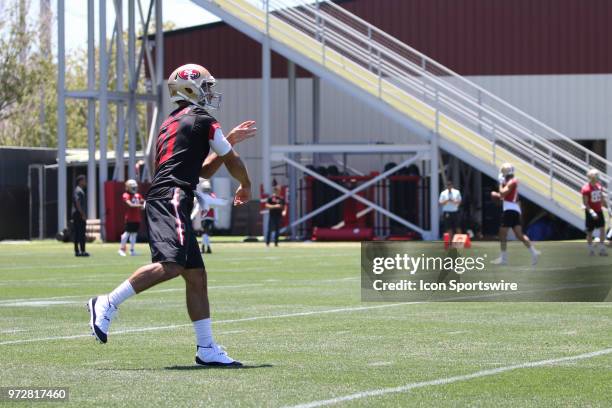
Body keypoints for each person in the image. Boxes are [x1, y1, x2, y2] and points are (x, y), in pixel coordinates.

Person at [87, 63, 256, 367]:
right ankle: (107, 302)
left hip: (170, 193)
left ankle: (206, 348)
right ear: (190, 88)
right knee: (171, 265)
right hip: (172, 196)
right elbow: (232, 160)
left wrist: (226, 139)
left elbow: (201, 170)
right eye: (205, 86)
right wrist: (245, 184)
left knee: (197, 277)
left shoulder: (172, 122)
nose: (209, 92)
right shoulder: (203, 119)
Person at [490, 163, 540, 266]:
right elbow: (505, 196)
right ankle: (533, 252)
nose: (502, 173)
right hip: (513, 209)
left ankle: (504, 259)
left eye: (504, 171)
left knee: (502, 234)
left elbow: (503, 193)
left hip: (509, 210)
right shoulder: (510, 182)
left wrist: (499, 185)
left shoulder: (512, 181)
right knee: (519, 235)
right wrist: (496, 195)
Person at [581, 169, 608, 256]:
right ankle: (590, 249)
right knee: (590, 232)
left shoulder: (599, 186)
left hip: (599, 211)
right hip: (590, 212)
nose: (598, 177)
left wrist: (607, 207)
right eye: (596, 175)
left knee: (602, 229)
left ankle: (602, 248)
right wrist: (592, 212)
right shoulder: (586, 189)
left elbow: (602, 199)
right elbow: (585, 203)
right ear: (591, 177)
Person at [118, 179, 145, 257]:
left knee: (134, 235)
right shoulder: (126, 195)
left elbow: (142, 201)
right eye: (132, 187)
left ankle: (132, 250)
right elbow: (130, 205)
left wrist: (146, 203)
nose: (134, 188)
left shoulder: (137, 195)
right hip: (130, 218)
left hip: (137, 218)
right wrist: (140, 205)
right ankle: (121, 249)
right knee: (126, 234)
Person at [72, 175, 89, 257]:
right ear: (80, 181)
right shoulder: (78, 190)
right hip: (78, 214)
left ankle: (79, 251)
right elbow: (78, 203)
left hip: (77, 214)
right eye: (84, 180)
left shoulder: (79, 190)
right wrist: (82, 214)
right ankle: (80, 251)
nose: (85, 182)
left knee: (78, 233)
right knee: (80, 233)